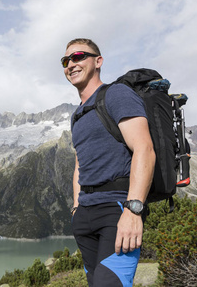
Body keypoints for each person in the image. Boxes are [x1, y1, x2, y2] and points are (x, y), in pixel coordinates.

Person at [62, 38, 156, 287]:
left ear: (98, 61)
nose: (71, 64)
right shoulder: (78, 115)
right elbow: (79, 162)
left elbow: (145, 149)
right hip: (85, 216)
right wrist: (76, 208)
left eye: (79, 56)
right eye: (66, 60)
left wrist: (133, 210)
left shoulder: (116, 94)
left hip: (116, 209)